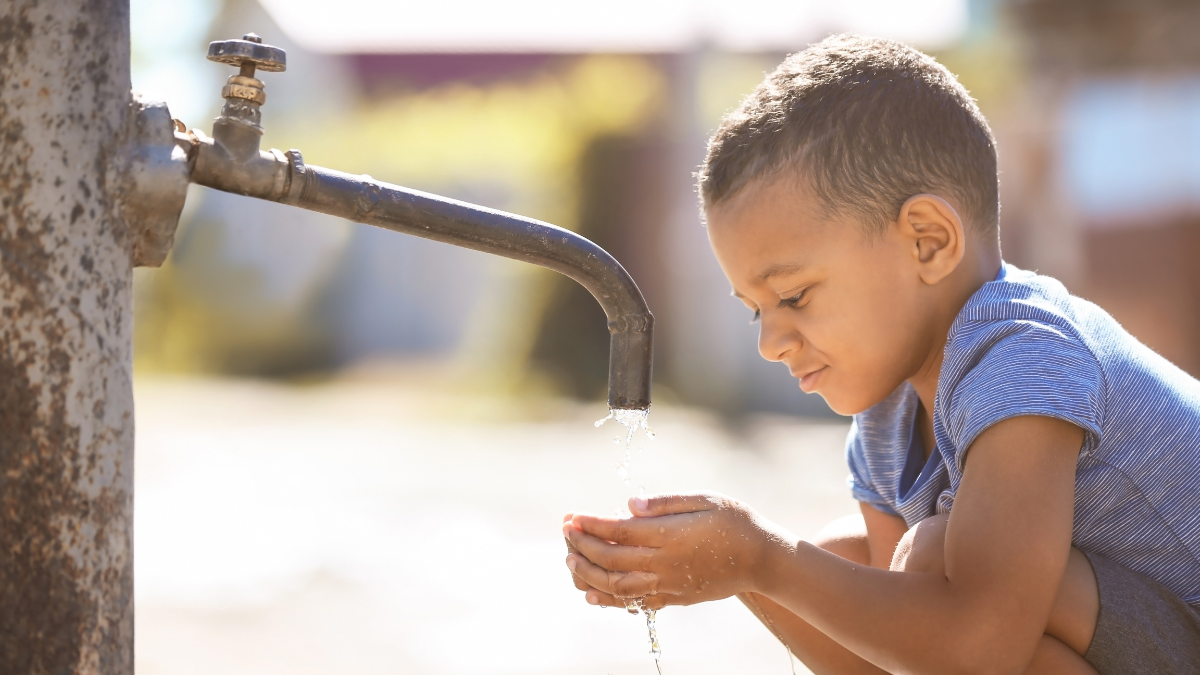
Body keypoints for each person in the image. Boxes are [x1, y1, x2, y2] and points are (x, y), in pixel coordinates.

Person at [561, 35, 1200, 675]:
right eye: (757, 309)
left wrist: (761, 558)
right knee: (845, 561)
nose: (770, 341)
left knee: (923, 561)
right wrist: (742, 573)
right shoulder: (888, 417)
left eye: (794, 295)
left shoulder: (1025, 355)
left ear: (927, 242)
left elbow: (979, 648)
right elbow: (897, 655)